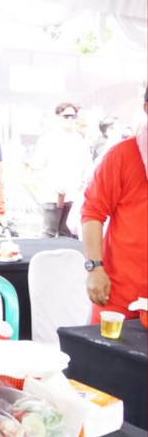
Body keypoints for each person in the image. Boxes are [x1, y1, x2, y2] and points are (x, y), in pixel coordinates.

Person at [81, 91, 147, 323]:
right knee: (108, 358)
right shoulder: (122, 155)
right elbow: (92, 213)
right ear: (147, 108)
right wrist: (95, 268)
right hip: (121, 296)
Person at [29, 102, 91, 238]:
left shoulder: (80, 141)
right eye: (66, 116)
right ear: (57, 117)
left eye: (73, 116)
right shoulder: (47, 139)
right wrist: (53, 185)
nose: (70, 119)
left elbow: (87, 167)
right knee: (49, 233)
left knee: (68, 234)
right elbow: (36, 167)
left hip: (74, 195)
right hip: (51, 195)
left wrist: (81, 183)